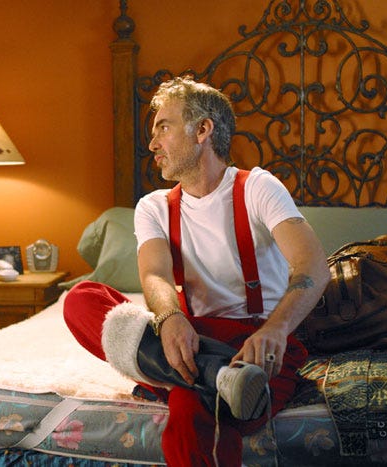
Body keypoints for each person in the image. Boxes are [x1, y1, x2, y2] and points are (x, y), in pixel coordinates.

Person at [64, 77, 330, 466]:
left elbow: (313, 267)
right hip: (185, 339)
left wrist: (275, 330)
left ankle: (203, 376)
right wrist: (169, 317)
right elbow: (154, 275)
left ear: (203, 129)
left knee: (190, 408)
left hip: (254, 345)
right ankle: (218, 377)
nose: (152, 144)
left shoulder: (258, 188)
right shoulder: (153, 206)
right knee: (81, 299)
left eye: (163, 128)